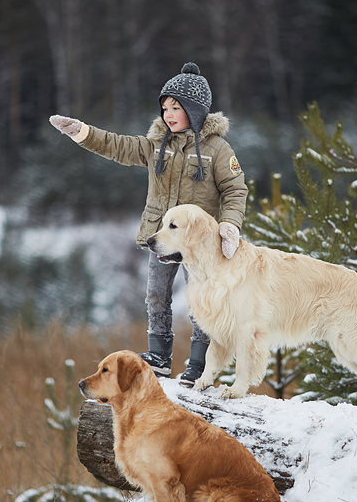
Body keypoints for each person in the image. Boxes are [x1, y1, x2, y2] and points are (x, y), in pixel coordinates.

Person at [49, 62, 247, 386]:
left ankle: (199, 362)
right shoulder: (157, 144)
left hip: (199, 243)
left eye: (176, 107)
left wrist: (229, 226)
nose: (168, 114)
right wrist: (80, 132)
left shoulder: (218, 149)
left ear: (195, 110)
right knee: (156, 294)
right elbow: (116, 145)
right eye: (165, 107)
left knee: (201, 301)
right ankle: (159, 357)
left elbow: (235, 189)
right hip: (161, 238)